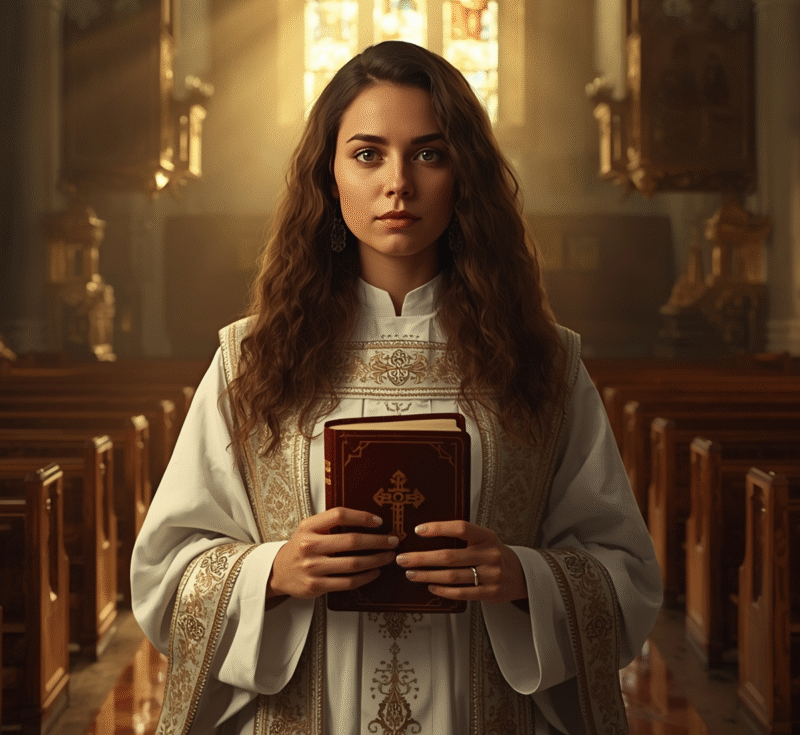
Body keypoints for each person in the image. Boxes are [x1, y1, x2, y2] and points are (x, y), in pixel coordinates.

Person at [131, 40, 662, 735]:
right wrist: (274, 571)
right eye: (367, 154)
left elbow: (624, 574)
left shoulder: (544, 363)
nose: (398, 183)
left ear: (464, 175)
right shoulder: (250, 360)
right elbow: (166, 573)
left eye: (429, 154)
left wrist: (522, 578)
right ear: (329, 178)